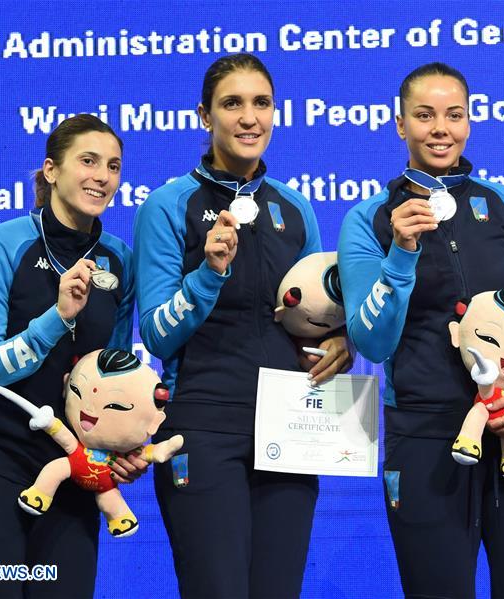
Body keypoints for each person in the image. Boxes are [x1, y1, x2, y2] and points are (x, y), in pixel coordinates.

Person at [338, 63, 504, 599]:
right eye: (424, 115)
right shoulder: (368, 219)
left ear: (469, 122)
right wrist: (401, 254)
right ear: (400, 125)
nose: (440, 128)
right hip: (424, 438)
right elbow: (372, 341)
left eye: (454, 115)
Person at [133, 53, 351, 598]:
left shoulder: (295, 208)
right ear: (205, 116)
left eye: (262, 103)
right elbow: (158, 335)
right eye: (232, 104)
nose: (249, 117)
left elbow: (313, 315)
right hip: (201, 427)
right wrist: (208, 274)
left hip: (292, 426)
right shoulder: (168, 206)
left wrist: (339, 341)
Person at [0, 114, 136, 598]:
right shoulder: (0, 245)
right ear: (50, 170)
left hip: (71, 474)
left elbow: (112, 377)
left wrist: (120, 448)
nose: (102, 176)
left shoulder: (119, 260)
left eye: (112, 166)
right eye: (87, 161)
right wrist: (57, 317)